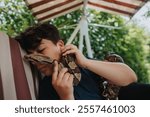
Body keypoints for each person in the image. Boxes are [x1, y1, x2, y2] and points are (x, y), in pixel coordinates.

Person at [15, 23, 137, 100]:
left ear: (60, 45)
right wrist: (66, 98)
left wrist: (85, 63)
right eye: (31, 56)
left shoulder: (84, 65)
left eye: (41, 50)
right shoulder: (47, 88)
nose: (35, 60)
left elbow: (130, 77)